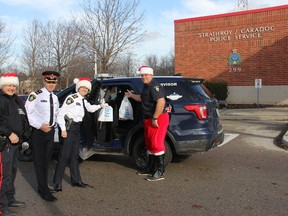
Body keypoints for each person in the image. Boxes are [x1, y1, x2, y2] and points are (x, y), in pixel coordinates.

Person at [53, 77, 106, 192]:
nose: (84, 90)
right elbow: (60, 115)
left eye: (86, 88)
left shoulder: (83, 100)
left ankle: (76, 180)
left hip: (77, 129)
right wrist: (63, 130)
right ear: (78, 88)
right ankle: (57, 183)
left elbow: (90, 109)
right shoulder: (71, 98)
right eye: (82, 87)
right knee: (64, 156)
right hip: (69, 129)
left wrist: (100, 106)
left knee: (74, 156)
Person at [125, 66, 169, 181]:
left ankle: (159, 172)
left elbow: (161, 102)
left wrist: (155, 117)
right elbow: (142, 98)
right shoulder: (146, 86)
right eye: (142, 75)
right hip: (148, 119)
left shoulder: (155, 86)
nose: (144, 77)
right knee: (149, 144)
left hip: (157, 118)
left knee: (156, 144)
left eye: (146, 75)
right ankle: (150, 168)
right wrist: (131, 96)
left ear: (151, 75)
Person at [25, 71, 60, 202]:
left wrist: (53, 125)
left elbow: (55, 113)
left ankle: (43, 186)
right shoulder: (35, 95)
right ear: (44, 81)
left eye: (54, 82)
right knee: (40, 162)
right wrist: (40, 125)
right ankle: (44, 190)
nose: (51, 84)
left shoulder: (55, 97)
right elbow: (28, 113)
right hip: (39, 132)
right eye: (49, 82)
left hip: (50, 132)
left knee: (46, 161)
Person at [0, 72, 31, 216]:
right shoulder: (1, 99)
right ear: (3, 85)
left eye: (14, 85)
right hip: (4, 142)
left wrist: (25, 134)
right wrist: (9, 133)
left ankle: (9, 199)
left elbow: (22, 117)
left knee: (11, 173)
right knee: (4, 175)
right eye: (9, 85)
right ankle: (1, 206)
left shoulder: (15, 99)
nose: (11, 88)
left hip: (14, 143)